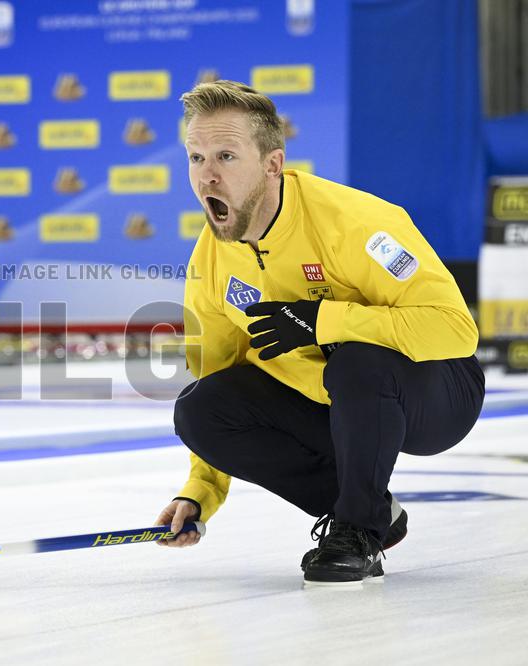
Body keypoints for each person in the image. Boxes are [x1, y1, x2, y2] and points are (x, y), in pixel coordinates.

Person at [155, 80, 484, 585]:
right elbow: (216, 372)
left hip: (435, 389)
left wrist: (323, 320)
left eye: (226, 155)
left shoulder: (356, 223)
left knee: (357, 358)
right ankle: (370, 510)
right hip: (334, 401)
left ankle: (355, 529)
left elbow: (455, 331)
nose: (209, 176)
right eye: (196, 159)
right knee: (201, 407)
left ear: (272, 164)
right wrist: (199, 491)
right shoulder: (211, 260)